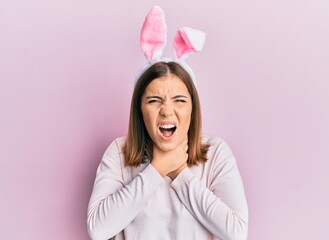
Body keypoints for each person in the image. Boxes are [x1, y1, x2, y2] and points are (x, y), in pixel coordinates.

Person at [87, 6, 248, 240]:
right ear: (139, 109)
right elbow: (98, 230)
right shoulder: (118, 153)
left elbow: (237, 233)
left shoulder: (215, 153)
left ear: (192, 108)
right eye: (154, 100)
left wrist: (180, 173)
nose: (166, 111)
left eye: (179, 100)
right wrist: (157, 169)